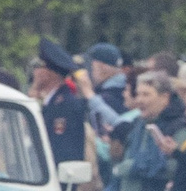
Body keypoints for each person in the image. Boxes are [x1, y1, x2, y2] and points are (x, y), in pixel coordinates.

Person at [29, 40, 89, 169]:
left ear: (49, 72)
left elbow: (61, 150)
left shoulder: (65, 105)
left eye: (38, 66)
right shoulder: (53, 102)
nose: (35, 71)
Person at [85, 44, 128, 116]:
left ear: (102, 67)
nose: (88, 71)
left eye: (91, 66)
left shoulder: (108, 98)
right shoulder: (126, 88)